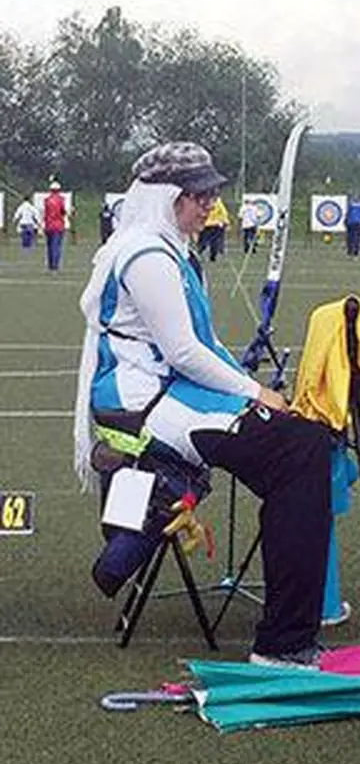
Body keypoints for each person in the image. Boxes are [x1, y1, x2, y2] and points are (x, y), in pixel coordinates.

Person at [72, 141, 331, 667]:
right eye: (199, 197)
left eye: (212, 196)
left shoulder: (164, 248)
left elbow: (196, 350)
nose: (209, 207)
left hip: (171, 396)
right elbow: (184, 352)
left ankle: (292, 624)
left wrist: (250, 388)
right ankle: (283, 644)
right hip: (149, 406)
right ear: (168, 198)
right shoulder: (146, 255)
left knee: (301, 442)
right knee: (300, 451)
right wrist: (257, 393)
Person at [43, 181, 67, 272]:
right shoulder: (61, 200)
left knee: (49, 247)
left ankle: (50, 265)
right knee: (56, 246)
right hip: (58, 225)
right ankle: (55, 266)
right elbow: (63, 212)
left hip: (49, 225)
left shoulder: (47, 200)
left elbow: (46, 213)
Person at [198, 196, 229, 262]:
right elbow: (224, 214)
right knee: (213, 241)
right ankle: (211, 255)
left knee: (205, 240)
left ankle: (203, 253)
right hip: (214, 224)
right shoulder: (218, 203)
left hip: (207, 224)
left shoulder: (204, 201)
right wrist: (225, 222)